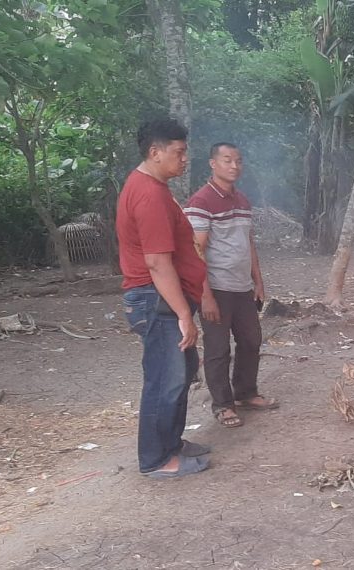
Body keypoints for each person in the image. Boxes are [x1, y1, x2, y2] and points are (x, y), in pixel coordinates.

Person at [117, 118, 211, 479]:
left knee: (181, 373)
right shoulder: (150, 194)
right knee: (164, 378)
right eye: (179, 152)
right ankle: (155, 459)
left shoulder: (153, 186)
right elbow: (157, 262)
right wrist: (184, 314)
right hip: (155, 300)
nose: (185, 159)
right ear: (155, 153)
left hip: (162, 299)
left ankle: (171, 442)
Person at [184, 143, 277, 429]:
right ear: (213, 163)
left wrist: (258, 281)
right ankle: (223, 405)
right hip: (217, 288)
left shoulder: (242, 201)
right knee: (217, 348)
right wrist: (205, 296)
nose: (234, 166)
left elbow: (248, 243)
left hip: (242, 287)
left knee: (251, 340)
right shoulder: (201, 202)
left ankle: (246, 392)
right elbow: (195, 251)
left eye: (238, 160)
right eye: (227, 160)